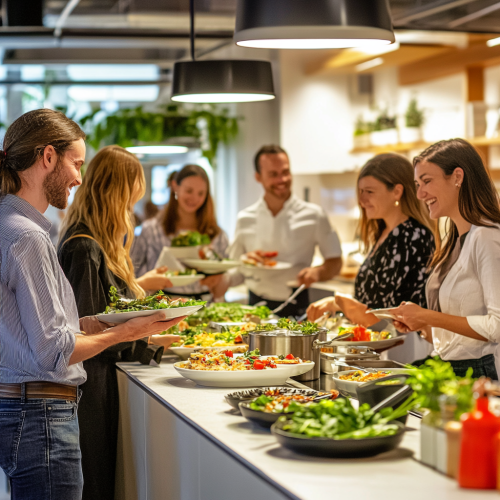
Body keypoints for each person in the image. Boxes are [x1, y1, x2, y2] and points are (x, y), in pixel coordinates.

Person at [0, 109, 184, 499]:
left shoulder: (8, 225)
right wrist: (128, 330)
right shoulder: (27, 237)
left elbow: (25, 332)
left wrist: (85, 325)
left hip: (22, 410)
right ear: (47, 157)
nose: (79, 178)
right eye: (76, 163)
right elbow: (54, 350)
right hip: (42, 417)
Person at [57, 145, 178, 500]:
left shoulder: (95, 242)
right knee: (96, 483)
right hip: (90, 389)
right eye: (130, 200)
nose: (131, 210)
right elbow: (91, 332)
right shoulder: (84, 247)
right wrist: (148, 341)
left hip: (100, 381)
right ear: (116, 194)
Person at [306, 154, 435, 362]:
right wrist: (339, 304)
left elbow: (395, 313)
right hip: (380, 350)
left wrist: (342, 304)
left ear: (397, 191)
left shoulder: (413, 236)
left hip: (403, 354)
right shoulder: (385, 233)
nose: (362, 200)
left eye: (369, 192)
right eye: (360, 192)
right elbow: (374, 303)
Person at [389, 139, 500, 379]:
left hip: (478, 374)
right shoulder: (454, 239)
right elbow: (456, 333)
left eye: (427, 181)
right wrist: (422, 325)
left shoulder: (486, 237)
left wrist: (427, 316)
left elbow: (497, 326)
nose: (420, 194)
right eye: (417, 184)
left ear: (457, 176)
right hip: (449, 366)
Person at [216, 144, 342, 317]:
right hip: (254, 308)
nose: (282, 180)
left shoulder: (314, 215)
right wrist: (240, 265)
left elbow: (335, 262)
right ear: (258, 177)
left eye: (285, 172)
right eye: (273, 174)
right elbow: (236, 271)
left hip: (297, 306)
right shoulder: (245, 218)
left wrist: (318, 272)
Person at [132, 164, 229, 298]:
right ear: (174, 186)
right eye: (189, 191)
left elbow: (220, 292)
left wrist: (218, 278)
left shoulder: (217, 235)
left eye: (201, 193)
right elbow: (132, 280)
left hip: (205, 308)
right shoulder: (150, 231)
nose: (194, 198)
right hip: (162, 308)